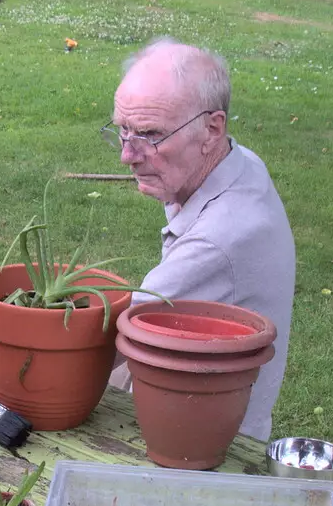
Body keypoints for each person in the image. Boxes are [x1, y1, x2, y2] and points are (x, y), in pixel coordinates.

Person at [106, 38, 297, 441]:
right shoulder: (234, 164)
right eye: (123, 130)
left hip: (198, 438)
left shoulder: (217, 241)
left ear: (212, 128)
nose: (128, 155)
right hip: (189, 387)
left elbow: (101, 347)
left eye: (150, 134)